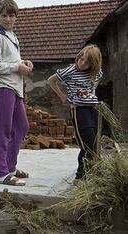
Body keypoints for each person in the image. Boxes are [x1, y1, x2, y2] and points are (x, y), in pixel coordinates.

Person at [0, 0, 33, 186]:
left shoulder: (11, 35)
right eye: (4, 15)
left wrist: (24, 62)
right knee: (2, 129)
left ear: (16, 17)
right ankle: (1, 173)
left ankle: (10, 167)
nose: (8, 19)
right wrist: (16, 67)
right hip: (0, 86)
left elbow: (11, 60)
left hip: (13, 87)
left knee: (22, 126)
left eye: (11, 15)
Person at [48, 44, 103, 184]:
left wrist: (91, 93)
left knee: (94, 142)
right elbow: (51, 80)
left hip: (93, 108)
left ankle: (88, 175)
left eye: (87, 62)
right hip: (79, 109)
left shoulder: (96, 72)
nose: (82, 63)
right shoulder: (70, 70)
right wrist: (63, 97)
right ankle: (80, 177)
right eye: (81, 59)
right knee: (87, 144)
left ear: (94, 64)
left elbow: (96, 81)